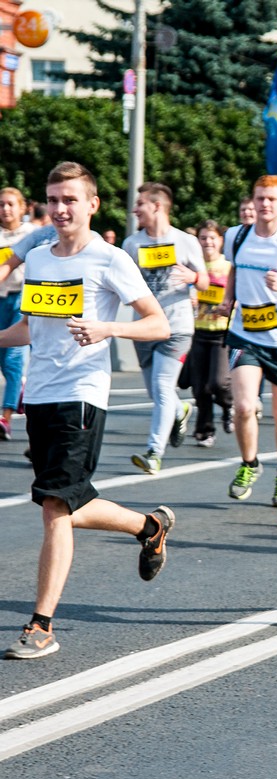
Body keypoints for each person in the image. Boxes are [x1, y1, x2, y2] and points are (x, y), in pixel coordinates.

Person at [1, 162, 173, 660]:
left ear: (92, 204)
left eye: (70, 200)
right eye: (54, 200)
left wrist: (107, 329)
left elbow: (158, 324)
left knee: (56, 507)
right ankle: (149, 527)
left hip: (82, 394)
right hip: (40, 395)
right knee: (66, 502)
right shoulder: (38, 259)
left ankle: (41, 625)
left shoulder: (110, 259)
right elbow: (31, 328)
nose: (60, 209)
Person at [219, 175, 277, 506]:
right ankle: (249, 464)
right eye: (259, 198)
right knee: (243, 406)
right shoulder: (236, 235)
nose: (264, 204)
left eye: (271, 199)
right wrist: (228, 298)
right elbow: (234, 269)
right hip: (244, 334)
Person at [122, 182, 208, 475]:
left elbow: (205, 281)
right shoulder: (131, 244)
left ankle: (154, 453)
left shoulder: (185, 241)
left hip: (177, 326)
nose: (135, 210)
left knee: (161, 387)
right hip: (144, 327)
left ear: (157, 206)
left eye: (140, 204)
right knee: (157, 393)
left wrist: (193, 277)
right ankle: (179, 409)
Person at [189, 220, 233, 447]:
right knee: (199, 387)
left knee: (218, 382)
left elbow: (238, 295)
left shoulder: (228, 267)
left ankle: (229, 405)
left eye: (212, 238)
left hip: (221, 333)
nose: (208, 242)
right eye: (203, 238)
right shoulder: (193, 267)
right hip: (197, 330)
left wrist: (230, 305)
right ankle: (205, 431)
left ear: (220, 241)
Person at [0, 187, 35, 440]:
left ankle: (6, 417)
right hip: (1, 299)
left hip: (23, 299)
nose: (5, 209)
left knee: (13, 359)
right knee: (3, 360)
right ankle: (19, 387)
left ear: (22, 207)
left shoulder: (32, 234)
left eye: (10, 204)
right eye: (1, 204)